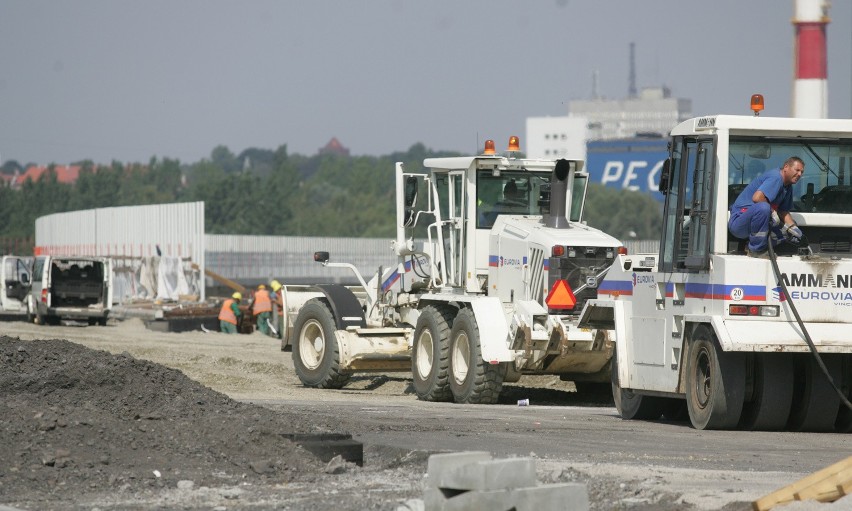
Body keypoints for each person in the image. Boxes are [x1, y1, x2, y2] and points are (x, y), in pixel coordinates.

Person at [728, 156, 805, 258]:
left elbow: (783, 211)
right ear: (786, 167)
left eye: (802, 172)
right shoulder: (776, 177)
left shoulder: (788, 186)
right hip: (739, 223)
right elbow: (757, 198)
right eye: (797, 170)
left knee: (787, 232)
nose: (799, 174)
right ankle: (755, 250)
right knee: (763, 208)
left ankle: (751, 245)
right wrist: (772, 212)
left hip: (756, 222)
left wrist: (794, 229)